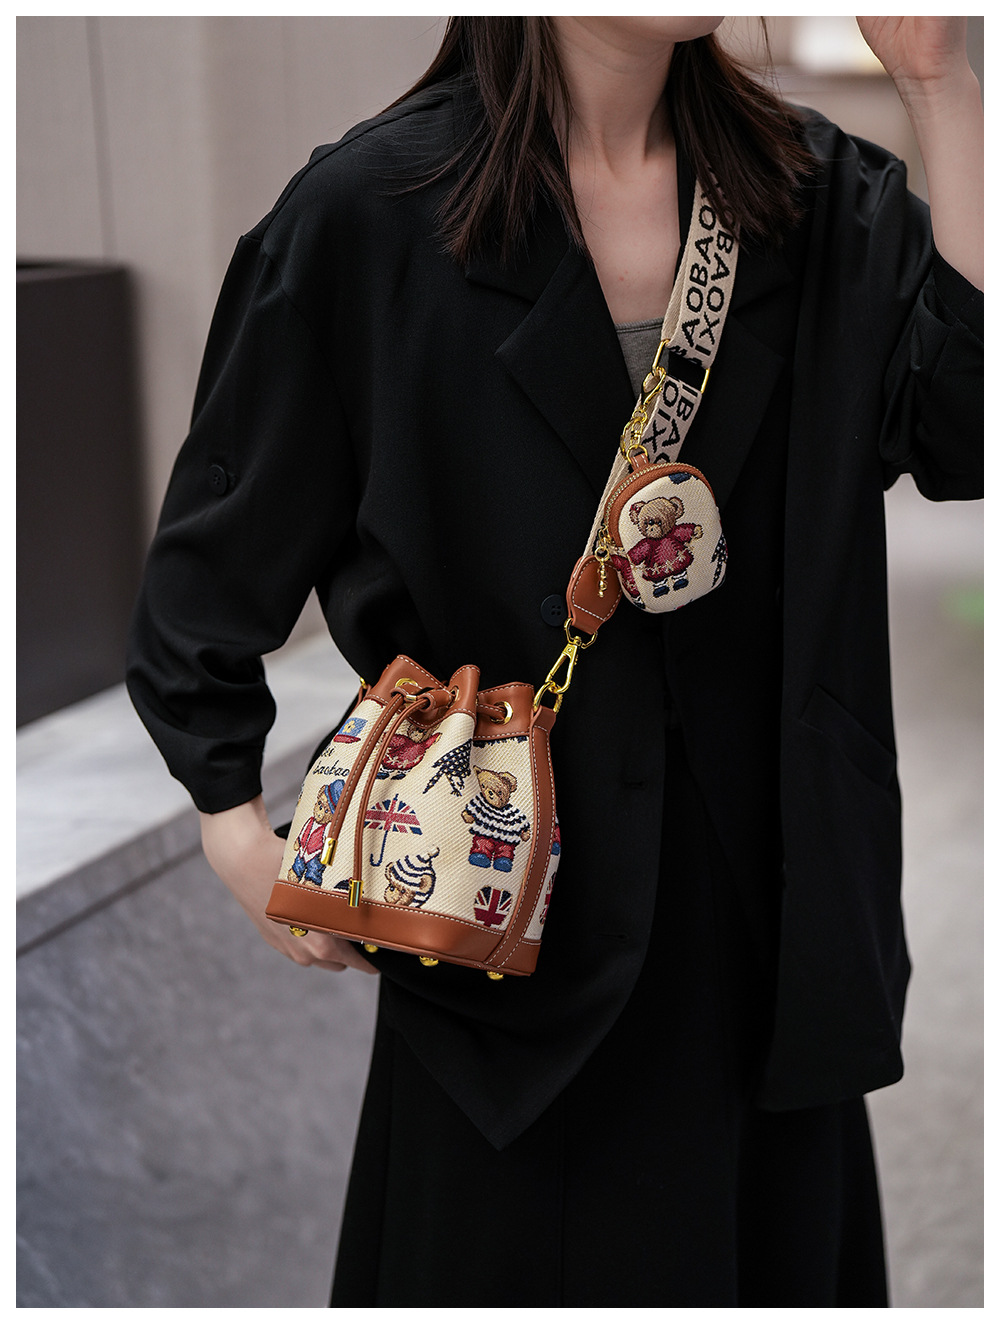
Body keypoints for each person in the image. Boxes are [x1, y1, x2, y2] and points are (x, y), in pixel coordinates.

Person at [126, 16, 983, 1308]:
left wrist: (941, 81)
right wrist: (230, 822)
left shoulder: (810, 193)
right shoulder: (373, 209)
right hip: (501, 927)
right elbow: (217, 551)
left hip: (767, 913)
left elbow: (969, 426)